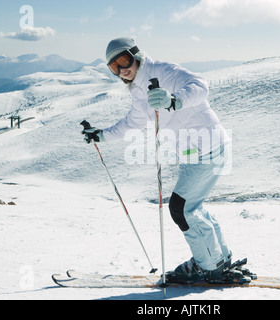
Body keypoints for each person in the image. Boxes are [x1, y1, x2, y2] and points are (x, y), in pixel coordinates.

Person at [83, 37, 232, 283]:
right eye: (114, 67)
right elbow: (132, 123)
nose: (122, 70)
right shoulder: (139, 91)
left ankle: (208, 266)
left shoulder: (163, 70)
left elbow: (200, 85)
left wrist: (174, 99)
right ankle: (219, 258)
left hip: (207, 148)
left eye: (124, 60)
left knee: (181, 208)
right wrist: (101, 136)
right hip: (197, 153)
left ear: (136, 55)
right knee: (192, 207)